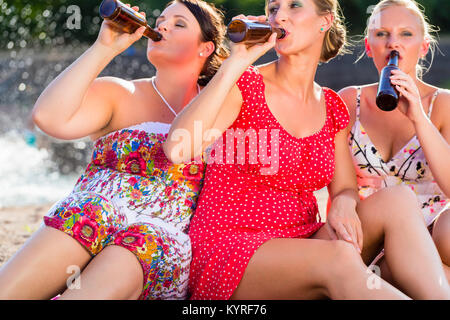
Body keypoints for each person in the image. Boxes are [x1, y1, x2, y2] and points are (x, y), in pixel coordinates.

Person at [164, 0, 450, 299]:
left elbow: (345, 188)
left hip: (304, 237)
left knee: (397, 200)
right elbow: (177, 149)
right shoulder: (245, 83)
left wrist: (344, 202)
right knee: (339, 258)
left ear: (323, 21)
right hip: (233, 246)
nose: (279, 16)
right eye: (273, 8)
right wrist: (235, 63)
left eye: (294, 6)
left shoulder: (331, 105)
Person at [0, 0, 228, 300]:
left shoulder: (225, 107)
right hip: (90, 218)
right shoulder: (120, 93)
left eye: (179, 24)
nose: (162, 26)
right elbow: (49, 118)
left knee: (143, 240)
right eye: (161, 20)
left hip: (155, 243)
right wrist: (104, 47)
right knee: (91, 210)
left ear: (206, 48)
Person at [339, 0, 449, 284]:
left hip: (434, 239)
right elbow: (338, 184)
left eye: (405, 34)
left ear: (423, 47)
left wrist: (419, 119)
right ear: (368, 46)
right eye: (382, 34)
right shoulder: (351, 101)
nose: (393, 44)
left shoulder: (444, 104)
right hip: (370, 236)